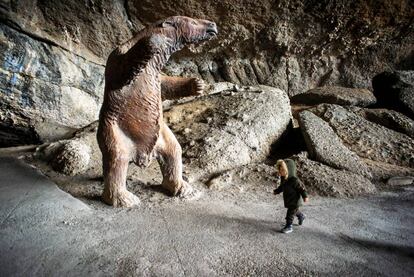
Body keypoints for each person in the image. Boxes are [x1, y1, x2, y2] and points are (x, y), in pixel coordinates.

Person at [273, 159, 309, 234]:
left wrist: (305, 196)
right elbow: (282, 187)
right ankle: (301, 216)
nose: (280, 172)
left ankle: (289, 226)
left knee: (290, 213)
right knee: (294, 211)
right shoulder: (284, 179)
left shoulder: (294, 180)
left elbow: (302, 189)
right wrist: (277, 191)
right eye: (279, 170)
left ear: (288, 170)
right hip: (289, 199)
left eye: (282, 170)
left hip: (295, 201)